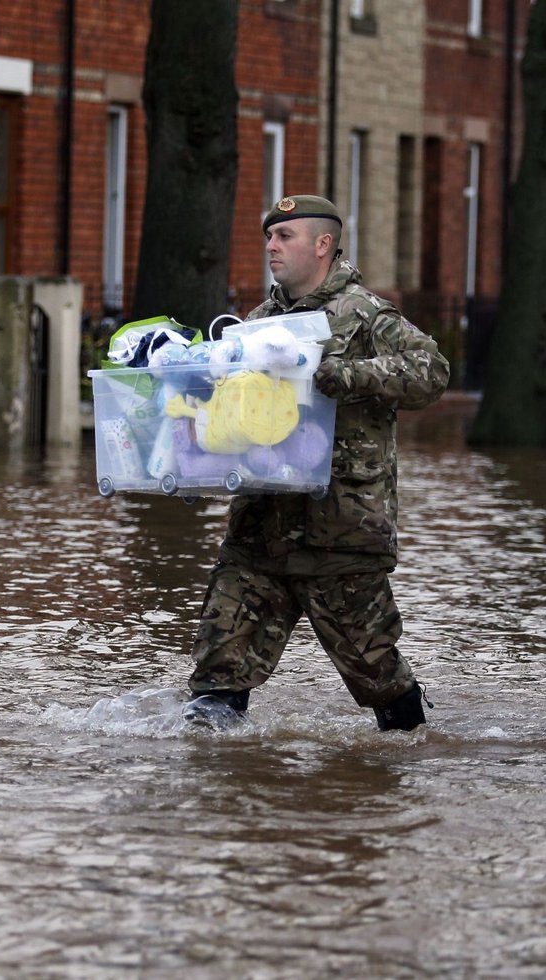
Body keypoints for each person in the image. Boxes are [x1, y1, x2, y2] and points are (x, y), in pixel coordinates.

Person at [184, 195, 450, 731]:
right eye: (269, 237)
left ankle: (409, 761)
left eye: (285, 237)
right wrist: (194, 457)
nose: (271, 247)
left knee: (380, 679)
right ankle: (215, 794)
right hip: (259, 532)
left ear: (323, 245)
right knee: (218, 673)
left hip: (342, 532)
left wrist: (348, 375)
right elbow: (232, 421)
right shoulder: (257, 323)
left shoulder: (364, 314)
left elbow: (432, 372)